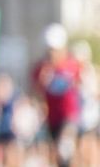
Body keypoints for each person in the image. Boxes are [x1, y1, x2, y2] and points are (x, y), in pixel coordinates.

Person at [32, 22, 82, 167]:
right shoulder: (42, 68)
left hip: (69, 115)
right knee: (57, 155)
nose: (52, 54)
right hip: (53, 117)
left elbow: (80, 86)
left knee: (65, 148)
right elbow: (36, 92)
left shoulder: (72, 64)